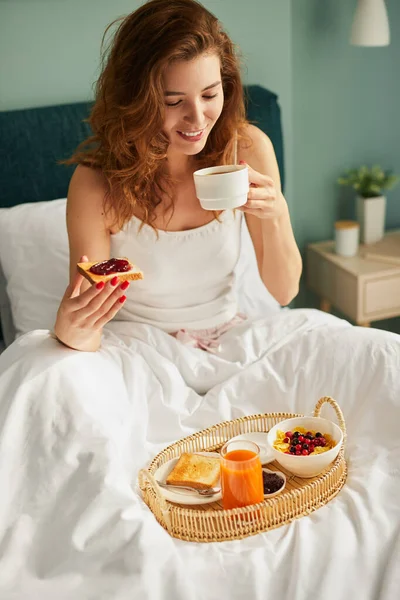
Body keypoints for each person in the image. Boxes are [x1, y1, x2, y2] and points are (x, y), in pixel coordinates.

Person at [54, 0, 302, 353]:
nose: (198, 118)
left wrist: (276, 213)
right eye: (173, 101)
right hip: (137, 350)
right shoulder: (97, 184)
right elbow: (90, 322)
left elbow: (285, 291)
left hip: (227, 342)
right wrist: (71, 327)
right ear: (136, 99)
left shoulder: (246, 150)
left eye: (210, 94)